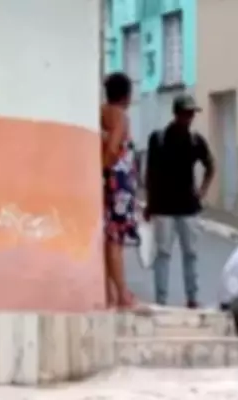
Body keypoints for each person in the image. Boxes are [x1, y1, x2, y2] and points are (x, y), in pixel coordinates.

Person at [145, 95, 215, 308]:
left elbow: (210, 166)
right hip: (163, 207)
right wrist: (149, 203)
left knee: (191, 254)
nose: (190, 117)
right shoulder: (158, 139)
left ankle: (192, 298)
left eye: (192, 113)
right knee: (163, 253)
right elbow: (150, 174)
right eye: (186, 113)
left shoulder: (196, 140)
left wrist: (202, 192)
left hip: (188, 207)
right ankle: (161, 300)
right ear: (176, 113)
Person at [101, 72, 139, 309]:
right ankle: (123, 295)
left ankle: (112, 294)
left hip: (109, 181)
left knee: (109, 238)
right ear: (126, 96)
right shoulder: (121, 116)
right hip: (118, 181)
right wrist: (105, 169)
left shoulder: (101, 112)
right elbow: (114, 147)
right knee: (116, 239)